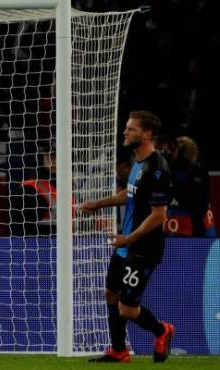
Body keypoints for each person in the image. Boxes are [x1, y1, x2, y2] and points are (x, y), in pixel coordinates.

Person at [80, 111, 174, 363]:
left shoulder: (157, 169)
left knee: (127, 308)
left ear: (147, 134)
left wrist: (129, 238)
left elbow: (159, 215)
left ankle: (162, 330)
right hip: (127, 243)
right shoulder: (138, 161)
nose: (125, 132)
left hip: (143, 247)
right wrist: (99, 204)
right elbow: (130, 194)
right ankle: (119, 350)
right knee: (110, 294)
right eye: (126, 128)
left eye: (131, 129)